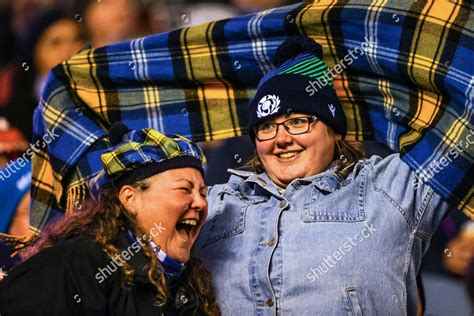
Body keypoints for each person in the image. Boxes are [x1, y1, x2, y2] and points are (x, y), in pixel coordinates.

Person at [193, 36, 455, 315]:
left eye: (297, 122)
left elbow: (463, 130)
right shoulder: (212, 205)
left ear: (334, 130)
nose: (281, 139)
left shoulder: (389, 188)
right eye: (267, 126)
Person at [0, 123, 220, 315]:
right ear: (130, 198)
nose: (201, 203)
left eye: (202, 192)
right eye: (184, 189)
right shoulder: (71, 269)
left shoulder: (191, 287)